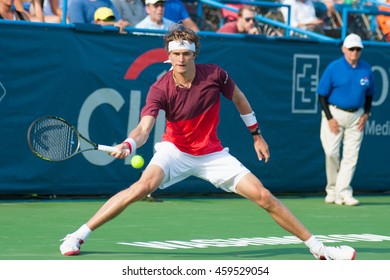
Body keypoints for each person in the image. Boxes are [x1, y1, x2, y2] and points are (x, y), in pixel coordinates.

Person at [59, 23, 356, 260]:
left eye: (186, 54)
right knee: (141, 187)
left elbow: (240, 99)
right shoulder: (159, 88)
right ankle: (79, 234)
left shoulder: (215, 75)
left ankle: (320, 249)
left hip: (212, 154)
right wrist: (129, 144)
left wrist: (256, 135)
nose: (180, 59)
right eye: (175, 54)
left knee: (264, 196)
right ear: (168, 55)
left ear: (194, 54)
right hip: (174, 150)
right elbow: (144, 128)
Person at [317, 33, 376, 206]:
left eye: (358, 49)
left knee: (351, 155)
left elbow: (370, 95)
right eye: (351, 49)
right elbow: (322, 95)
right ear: (344, 49)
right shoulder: (334, 67)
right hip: (334, 113)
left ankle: (344, 192)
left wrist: (366, 114)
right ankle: (332, 190)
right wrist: (329, 118)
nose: (355, 52)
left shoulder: (366, 69)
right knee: (331, 153)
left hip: (357, 116)